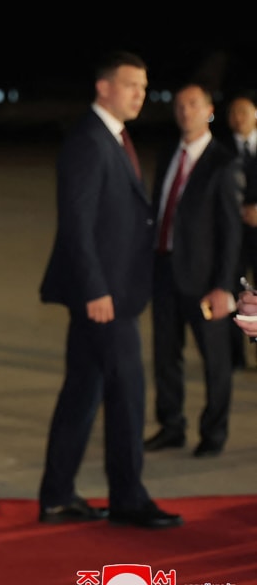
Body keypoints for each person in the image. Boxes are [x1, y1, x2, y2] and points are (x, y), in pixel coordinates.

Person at [38, 51, 183, 529]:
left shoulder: (113, 137)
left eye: (144, 86)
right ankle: (128, 499)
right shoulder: (89, 139)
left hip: (111, 292)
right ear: (104, 88)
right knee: (127, 396)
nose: (141, 94)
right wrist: (96, 289)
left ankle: (58, 496)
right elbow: (76, 224)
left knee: (83, 392)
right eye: (131, 85)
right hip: (105, 298)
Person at [145, 82, 244, 460]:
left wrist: (224, 287)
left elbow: (231, 233)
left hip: (205, 282)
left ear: (208, 111)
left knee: (215, 361)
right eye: (179, 104)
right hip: (164, 272)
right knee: (166, 356)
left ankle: (213, 433)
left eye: (193, 104)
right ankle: (171, 427)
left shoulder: (223, 162)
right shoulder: (169, 152)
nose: (185, 111)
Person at [224, 92, 257, 371]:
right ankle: (236, 356)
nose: (238, 119)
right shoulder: (221, 151)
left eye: (244, 112)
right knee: (237, 296)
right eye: (233, 113)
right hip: (233, 239)